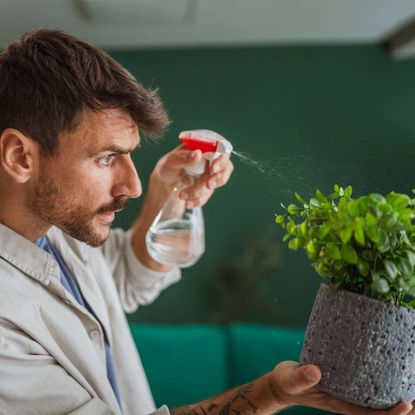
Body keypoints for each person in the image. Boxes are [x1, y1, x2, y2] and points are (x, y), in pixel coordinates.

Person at [0, 29, 412, 415]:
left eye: (129, 154)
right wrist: (271, 393)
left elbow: (122, 278)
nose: (133, 184)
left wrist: (171, 192)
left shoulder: (55, 229)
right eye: (106, 158)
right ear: (20, 156)